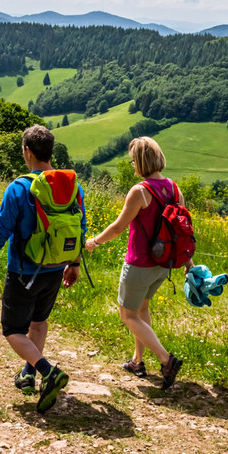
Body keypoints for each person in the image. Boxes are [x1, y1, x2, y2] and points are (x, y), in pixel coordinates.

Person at [0, 125, 84, 414]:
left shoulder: (19, 187)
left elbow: (3, 226)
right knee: (38, 322)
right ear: (50, 151)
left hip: (24, 270)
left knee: (13, 329)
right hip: (56, 267)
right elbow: (80, 227)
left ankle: (47, 371)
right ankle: (28, 374)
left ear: (27, 151)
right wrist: (74, 263)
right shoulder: (72, 187)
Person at [84, 136, 184, 389]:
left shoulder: (140, 191)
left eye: (133, 161)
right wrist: (188, 262)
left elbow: (118, 227)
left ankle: (166, 360)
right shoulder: (174, 189)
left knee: (128, 315)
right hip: (163, 264)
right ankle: (137, 361)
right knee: (141, 310)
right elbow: (182, 229)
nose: (133, 166)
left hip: (140, 263)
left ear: (140, 161)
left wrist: (94, 241)